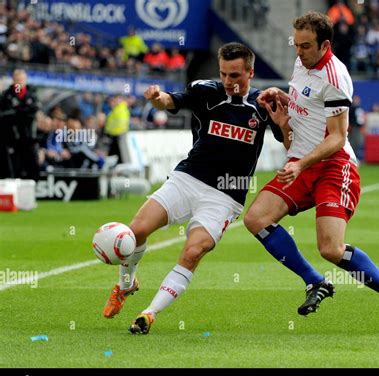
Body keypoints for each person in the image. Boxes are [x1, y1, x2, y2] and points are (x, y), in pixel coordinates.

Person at [244, 11, 379, 333]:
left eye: (306, 46)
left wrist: (301, 163)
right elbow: (304, 109)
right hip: (302, 162)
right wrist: (282, 99)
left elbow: (337, 137)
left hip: (334, 166)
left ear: (325, 45)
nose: (299, 52)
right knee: (256, 218)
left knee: (330, 249)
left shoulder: (335, 77)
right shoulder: (301, 62)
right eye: (296, 45)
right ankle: (314, 281)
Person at [102, 42, 283, 334]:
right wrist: (156, 97)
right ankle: (127, 284)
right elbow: (170, 101)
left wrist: (284, 124)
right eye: (224, 73)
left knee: (193, 251)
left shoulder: (264, 105)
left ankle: (149, 314)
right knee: (135, 231)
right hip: (188, 179)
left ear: (251, 73)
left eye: (235, 75)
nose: (228, 81)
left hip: (226, 195)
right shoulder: (205, 91)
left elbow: (287, 141)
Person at [0, 69, 39, 180]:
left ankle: (33, 184)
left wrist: (18, 112)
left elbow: (32, 111)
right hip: (13, 137)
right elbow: (6, 113)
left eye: (22, 80)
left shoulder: (31, 93)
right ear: (13, 80)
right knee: (15, 163)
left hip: (29, 136)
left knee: (31, 162)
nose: (20, 82)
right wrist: (20, 112)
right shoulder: (9, 94)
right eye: (17, 80)